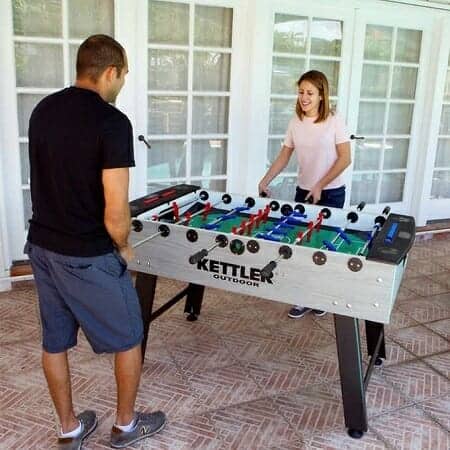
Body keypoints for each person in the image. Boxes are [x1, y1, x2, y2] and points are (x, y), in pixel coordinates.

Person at [25, 35, 166, 449]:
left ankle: (69, 429)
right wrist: (123, 248)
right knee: (128, 338)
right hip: (87, 254)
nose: (122, 82)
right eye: (122, 74)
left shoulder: (43, 110)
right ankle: (125, 426)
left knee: (54, 341)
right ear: (109, 71)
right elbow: (116, 210)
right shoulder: (112, 121)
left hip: (43, 247)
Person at [258, 70, 351, 319]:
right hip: (304, 192)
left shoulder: (334, 120)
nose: (304, 97)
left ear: (322, 95)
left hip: (331, 193)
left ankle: (320, 297)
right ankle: (302, 298)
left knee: (324, 249)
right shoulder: (295, 122)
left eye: (310, 93)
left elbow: (345, 158)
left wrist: (321, 184)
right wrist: (265, 180)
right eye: (301, 92)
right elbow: (284, 156)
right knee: (301, 245)